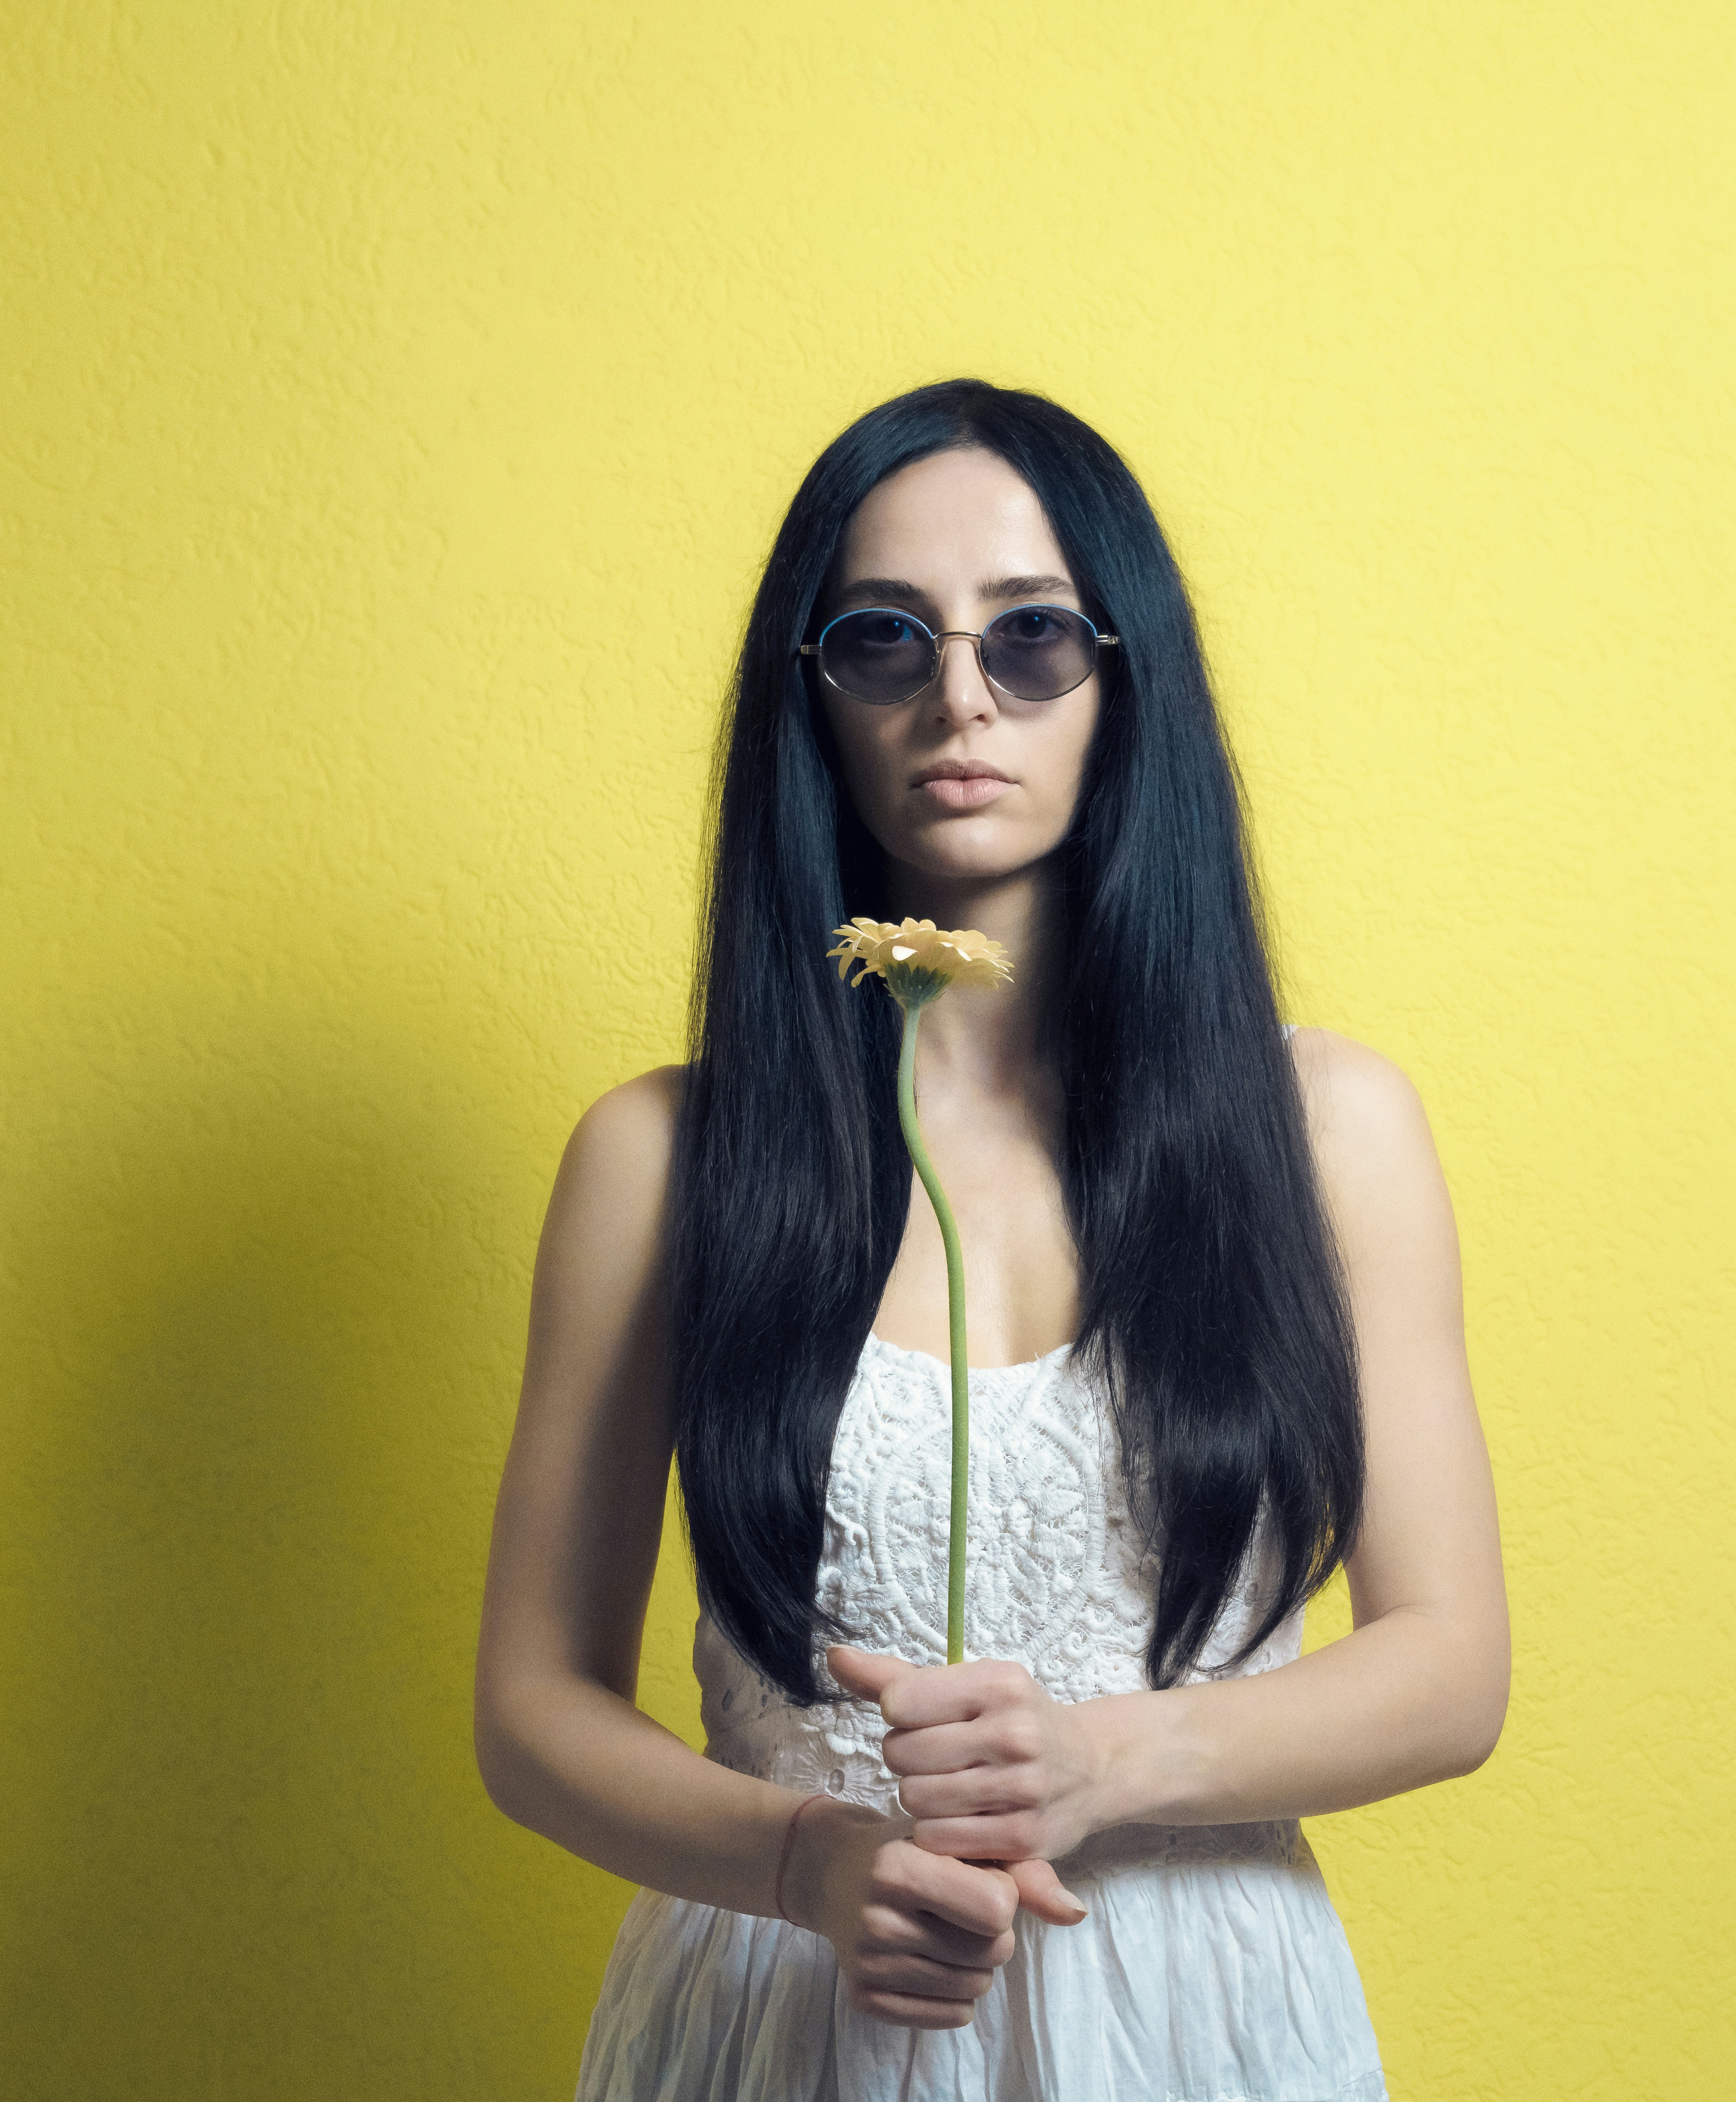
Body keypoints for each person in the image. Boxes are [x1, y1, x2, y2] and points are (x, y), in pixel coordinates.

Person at [475, 379, 1510, 2101]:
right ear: (808, 693)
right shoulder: (662, 1156)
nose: (961, 694)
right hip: (791, 1999)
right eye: (884, 637)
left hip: (1193, 2013)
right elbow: (532, 1705)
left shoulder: (1328, 1127)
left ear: (1123, 678)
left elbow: (1448, 1667)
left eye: (1031, 637)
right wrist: (805, 1861)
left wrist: (1107, 1758)